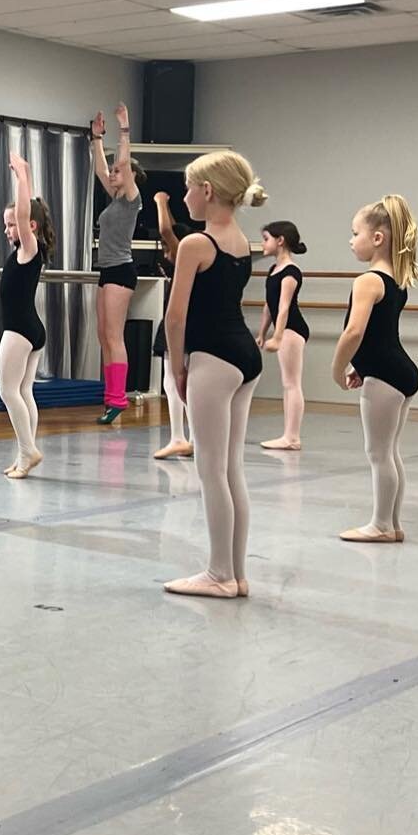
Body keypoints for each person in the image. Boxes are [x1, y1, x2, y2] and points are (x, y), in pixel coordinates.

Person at [162, 151, 267, 599]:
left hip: (214, 358)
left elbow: (174, 317)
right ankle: (236, 574)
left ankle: (219, 573)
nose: (185, 196)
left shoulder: (196, 245)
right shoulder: (242, 241)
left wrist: (176, 366)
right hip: (245, 355)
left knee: (209, 469)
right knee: (230, 469)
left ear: (207, 191)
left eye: (189, 188)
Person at [332, 196, 418, 543]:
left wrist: (338, 369)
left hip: (386, 375)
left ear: (378, 238)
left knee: (378, 453)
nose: (352, 240)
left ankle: (381, 525)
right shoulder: (396, 278)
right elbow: (377, 334)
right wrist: (362, 365)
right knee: (390, 452)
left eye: (356, 233)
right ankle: (392, 524)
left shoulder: (368, 280)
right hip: (396, 370)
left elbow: (354, 332)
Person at [0, 153, 54, 480]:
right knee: (24, 391)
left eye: (12, 224)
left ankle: (27, 450)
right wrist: (25, 176)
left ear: (29, 226)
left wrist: (22, 176)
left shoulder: (29, 248)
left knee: (8, 392)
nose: (8, 229)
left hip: (19, 330)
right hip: (32, 328)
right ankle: (24, 455)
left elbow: (23, 212)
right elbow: (24, 213)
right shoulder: (27, 251)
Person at [90, 103, 143, 425]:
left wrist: (124, 129)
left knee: (114, 336)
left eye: (119, 171)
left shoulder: (131, 200)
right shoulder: (115, 200)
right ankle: (111, 398)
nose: (113, 172)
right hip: (107, 270)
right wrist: (96, 138)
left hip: (122, 271)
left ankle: (118, 398)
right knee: (103, 335)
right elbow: (102, 169)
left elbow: (122, 161)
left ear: (131, 177)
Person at [257, 220, 310, 451]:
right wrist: (262, 333)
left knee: (291, 383)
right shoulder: (273, 270)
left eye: (266, 238)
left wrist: (278, 337)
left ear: (280, 241)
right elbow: (269, 306)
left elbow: (284, 306)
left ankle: (292, 437)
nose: (262, 243)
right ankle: (289, 435)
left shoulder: (291, 271)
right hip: (283, 327)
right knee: (287, 384)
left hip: (292, 328)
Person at [152, 192, 192, 460]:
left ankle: (179, 436)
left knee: (174, 380)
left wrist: (161, 202)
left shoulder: (183, 258)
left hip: (180, 325)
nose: (166, 253)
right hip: (190, 322)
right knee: (183, 381)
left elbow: (167, 230)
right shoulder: (189, 260)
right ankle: (188, 437)